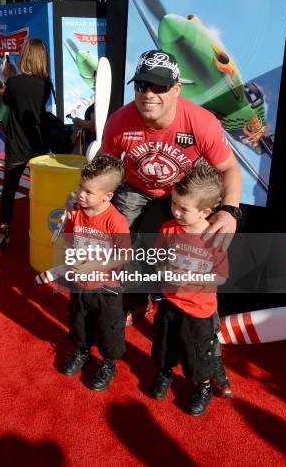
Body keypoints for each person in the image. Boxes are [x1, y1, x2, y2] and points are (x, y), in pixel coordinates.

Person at [99, 49, 242, 312]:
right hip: (135, 187)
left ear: (176, 89)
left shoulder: (201, 122)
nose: (149, 94)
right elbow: (103, 161)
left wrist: (230, 210)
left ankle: (172, 297)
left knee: (185, 244)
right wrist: (86, 193)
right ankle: (130, 297)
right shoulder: (119, 121)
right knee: (117, 240)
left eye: (159, 86)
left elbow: (229, 168)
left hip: (181, 191)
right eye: (142, 85)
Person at [151, 164, 231, 416]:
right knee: (165, 344)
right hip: (169, 303)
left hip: (199, 311)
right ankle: (165, 373)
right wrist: (163, 272)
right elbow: (158, 260)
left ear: (205, 211)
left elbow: (221, 277)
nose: (175, 210)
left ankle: (203, 386)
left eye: (183, 208)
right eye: (174, 203)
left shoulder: (214, 237)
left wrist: (192, 279)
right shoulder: (167, 228)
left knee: (197, 355)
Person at [61, 155, 131, 391]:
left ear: (107, 196)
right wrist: (65, 217)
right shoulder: (77, 212)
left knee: (108, 327)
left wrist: (93, 266)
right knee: (79, 320)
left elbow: (123, 255)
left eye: (88, 191)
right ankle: (82, 351)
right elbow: (69, 239)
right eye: (80, 186)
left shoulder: (116, 221)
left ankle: (109, 363)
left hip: (106, 288)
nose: (81, 194)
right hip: (80, 283)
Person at [0, 39, 52, 250]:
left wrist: (8, 76)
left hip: (17, 145)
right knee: (40, 193)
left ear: (25, 56)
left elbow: (8, 100)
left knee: (9, 191)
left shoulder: (15, 83)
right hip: (39, 144)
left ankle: (4, 233)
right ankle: (43, 231)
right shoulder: (46, 84)